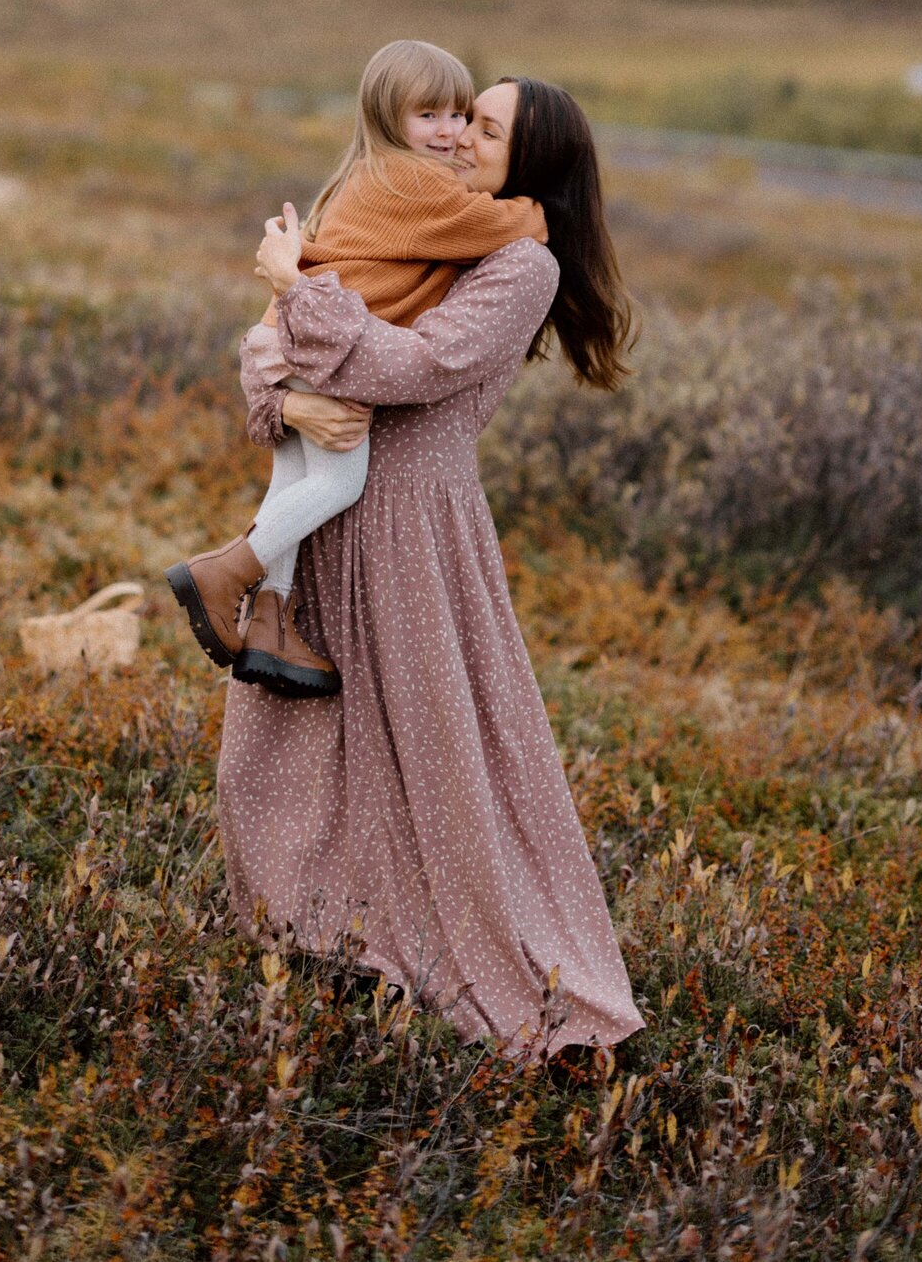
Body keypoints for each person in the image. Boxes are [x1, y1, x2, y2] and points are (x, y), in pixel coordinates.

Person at [217, 75, 645, 1053]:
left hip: (412, 528)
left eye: (485, 127)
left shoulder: (522, 264)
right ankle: (317, 934)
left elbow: (413, 368)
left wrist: (294, 281)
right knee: (279, 740)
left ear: (529, 157)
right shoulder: (413, 216)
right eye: (455, 118)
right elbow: (269, 348)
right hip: (325, 511)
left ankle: (451, 956)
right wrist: (284, 399)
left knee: (432, 755)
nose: (458, 137)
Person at [166, 39, 546, 696]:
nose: (450, 131)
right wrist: (541, 208)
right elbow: (494, 227)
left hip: (289, 338)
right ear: (386, 117)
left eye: (459, 115)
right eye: (429, 115)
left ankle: (271, 617)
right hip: (322, 345)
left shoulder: (366, 174)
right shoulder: (419, 183)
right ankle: (226, 571)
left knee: (291, 480)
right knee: (338, 479)